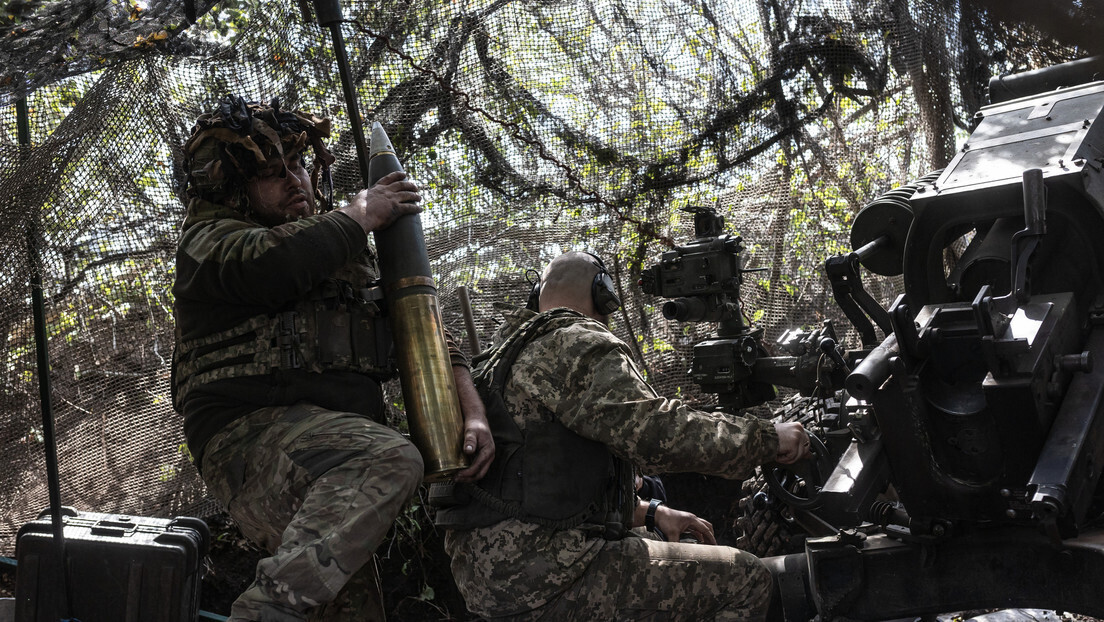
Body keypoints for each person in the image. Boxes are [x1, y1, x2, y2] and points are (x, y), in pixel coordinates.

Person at [171, 96, 494, 622]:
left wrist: (471, 413)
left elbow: (427, 337)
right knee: (389, 457)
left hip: (334, 459)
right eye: (275, 173)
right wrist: (362, 212)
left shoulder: (338, 252)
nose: (296, 181)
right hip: (249, 439)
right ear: (234, 187)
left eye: (298, 165)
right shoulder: (210, 241)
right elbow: (271, 264)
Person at [436, 250, 811, 621]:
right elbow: (657, 433)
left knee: (679, 548)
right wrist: (767, 439)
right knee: (745, 578)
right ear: (604, 294)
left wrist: (652, 512)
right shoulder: (575, 342)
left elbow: (541, 484)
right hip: (548, 574)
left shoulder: (493, 361)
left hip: (489, 580)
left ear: (537, 296)